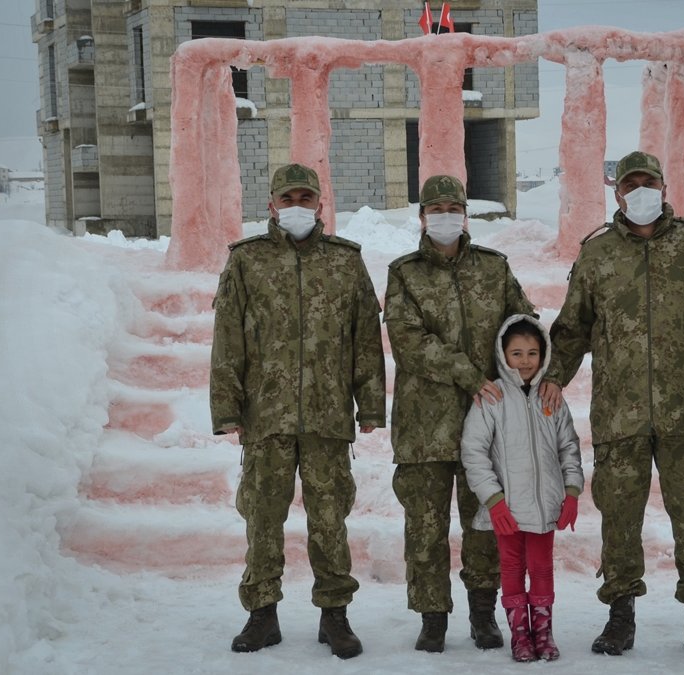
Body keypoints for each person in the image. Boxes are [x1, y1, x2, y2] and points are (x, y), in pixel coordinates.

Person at [540, 150, 684, 658]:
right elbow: (573, 326)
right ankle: (620, 614)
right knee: (619, 517)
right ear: (617, 192)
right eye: (630, 183)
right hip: (620, 413)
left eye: (648, 181)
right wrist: (554, 376)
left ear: (663, 187)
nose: (639, 190)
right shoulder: (598, 255)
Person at [210, 163, 386, 659]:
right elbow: (227, 336)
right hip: (265, 413)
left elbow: (365, 340)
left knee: (330, 516)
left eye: (306, 197)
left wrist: (370, 403)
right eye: (288, 197)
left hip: (328, 415)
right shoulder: (247, 260)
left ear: (320, 205)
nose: (297, 205)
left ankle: (335, 615)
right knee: (262, 515)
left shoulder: (345, 262)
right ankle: (262, 613)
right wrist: (227, 406)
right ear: (271, 205)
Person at [385, 174, 536, 653]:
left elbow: (524, 325)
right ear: (422, 216)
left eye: (454, 207)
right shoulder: (404, 273)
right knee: (425, 528)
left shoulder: (494, 268)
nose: (445, 216)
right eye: (436, 208)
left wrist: (525, 370)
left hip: (488, 426)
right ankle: (433, 618)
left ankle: (482, 612)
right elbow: (409, 343)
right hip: (423, 427)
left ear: (466, 213)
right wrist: (473, 376)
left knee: (485, 524)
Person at [460, 315, 585, 663]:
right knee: (512, 568)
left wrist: (571, 491)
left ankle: (543, 633)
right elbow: (473, 451)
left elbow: (569, 448)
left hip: (545, 507)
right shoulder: (492, 398)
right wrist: (493, 500)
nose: (526, 361)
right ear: (503, 355)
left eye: (532, 352)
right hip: (508, 509)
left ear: (543, 355)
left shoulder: (552, 398)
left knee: (542, 567)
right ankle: (520, 634)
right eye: (517, 353)